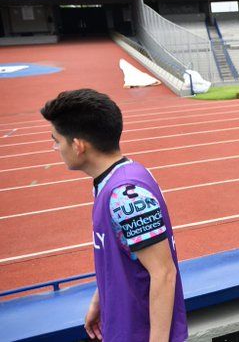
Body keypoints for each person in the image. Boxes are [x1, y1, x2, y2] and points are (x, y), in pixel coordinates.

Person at [40, 89, 187, 342]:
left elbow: (163, 273)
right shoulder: (115, 178)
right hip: (122, 326)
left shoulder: (126, 195)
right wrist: (101, 299)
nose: (55, 147)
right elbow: (123, 255)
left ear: (78, 145)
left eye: (57, 140)